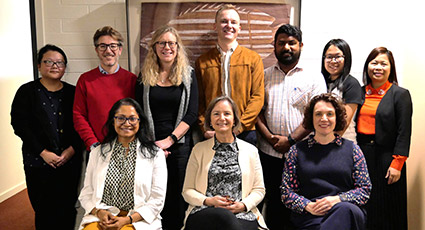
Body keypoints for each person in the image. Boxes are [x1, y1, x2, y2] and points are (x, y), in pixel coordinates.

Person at [255, 24, 327, 229]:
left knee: (301, 205)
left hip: (303, 154)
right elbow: (256, 112)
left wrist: (291, 140)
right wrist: (270, 137)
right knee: (273, 204)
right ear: (274, 46)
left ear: (300, 46)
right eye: (281, 43)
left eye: (291, 43)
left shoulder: (313, 77)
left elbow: (318, 114)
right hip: (268, 152)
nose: (286, 47)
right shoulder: (264, 75)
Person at [11, 44, 83, 230]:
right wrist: (43, 152)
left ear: (65, 67)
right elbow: (20, 125)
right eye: (49, 62)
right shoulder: (26, 92)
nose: (54, 66)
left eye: (59, 63)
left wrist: (71, 150)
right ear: (39, 65)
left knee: (67, 208)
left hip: (69, 161)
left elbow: (81, 123)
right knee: (43, 210)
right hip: (38, 162)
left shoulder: (73, 92)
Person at [135, 25, 198, 230]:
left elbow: (191, 114)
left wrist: (170, 140)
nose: (167, 47)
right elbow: (138, 115)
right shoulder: (144, 76)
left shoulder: (188, 75)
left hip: (179, 147)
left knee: (177, 198)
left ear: (178, 47)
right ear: (154, 47)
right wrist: (154, 145)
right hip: (150, 146)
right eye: (162, 43)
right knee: (153, 197)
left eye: (171, 43)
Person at [281, 93, 371, 230]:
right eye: (318, 114)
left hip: (347, 210)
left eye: (330, 114)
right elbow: (287, 192)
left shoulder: (353, 150)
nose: (324, 119)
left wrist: (337, 200)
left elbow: (364, 189)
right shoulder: (296, 151)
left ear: (337, 118)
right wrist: (307, 206)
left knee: (345, 210)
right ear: (311, 118)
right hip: (312, 214)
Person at [78, 98, 167, 230]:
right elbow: (86, 193)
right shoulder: (97, 153)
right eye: (121, 118)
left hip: (137, 220)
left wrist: (127, 220)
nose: (127, 123)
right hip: (102, 217)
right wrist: (99, 212)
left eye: (132, 118)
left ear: (140, 121)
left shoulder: (155, 154)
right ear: (113, 121)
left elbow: (157, 200)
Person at [182, 96, 267, 230]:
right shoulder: (198, 150)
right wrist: (209, 201)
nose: (222, 118)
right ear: (210, 120)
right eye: (216, 114)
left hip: (242, 214)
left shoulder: (251, 151)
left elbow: (259, 190)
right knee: (225, 218)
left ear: (234, 120)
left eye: (227, 113)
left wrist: (243, 205)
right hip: (204, 211)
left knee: (230, 222)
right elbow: (187, 191)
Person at [356, 47, 412, 230]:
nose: (378, 67)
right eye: (374, 63)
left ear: (391, 68)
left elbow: (404, 132)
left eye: (383, 63)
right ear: (367, 67)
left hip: (388, 158)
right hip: (362, 155)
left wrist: (397, 164)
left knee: (389, 207)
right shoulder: (359, 92)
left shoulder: (400, 94)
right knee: (366, 205)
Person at [196, 4, 264, 145]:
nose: (229, 25)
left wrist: (240, 126)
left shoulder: (253, 59)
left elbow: (258, 97)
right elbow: (199, 100)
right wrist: (204, 127)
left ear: (240, 28)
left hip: (245, 133)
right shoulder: (202, 62)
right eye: (224, 21)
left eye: (233, 22)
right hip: (213, 132)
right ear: (215, 26)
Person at [73, 26, 137, 151]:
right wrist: (92, 143)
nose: (108, 50)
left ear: (120, 49)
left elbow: (138, 116)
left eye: (113, 46)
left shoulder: (132, 80)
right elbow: (79, 115)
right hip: (96, 148)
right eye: (103, 46)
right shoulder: (85, 80)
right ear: (96, 50)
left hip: (127, 149)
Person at [321, 39, 362, 142]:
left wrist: (327, 143)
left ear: (346, 58)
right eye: (329, 57)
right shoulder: (320, 81)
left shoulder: (352, 84)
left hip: (343, 142)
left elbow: (344, 122)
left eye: (338, 57)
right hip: (321, 142)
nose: (333, 61)